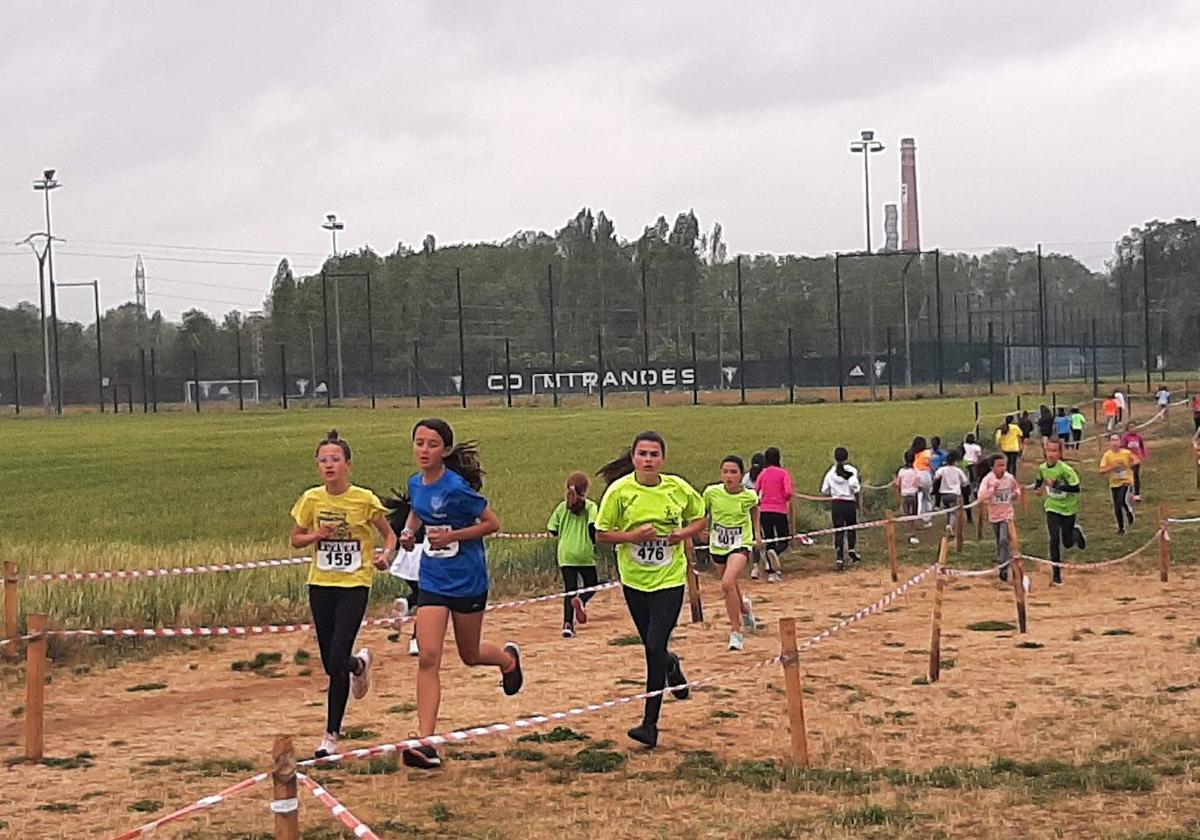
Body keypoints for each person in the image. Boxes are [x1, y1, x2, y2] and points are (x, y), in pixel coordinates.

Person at [398, 419, 522, 770]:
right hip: (433, 580)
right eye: (419, 443)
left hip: (467, 580)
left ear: (446, 451)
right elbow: (417, 513)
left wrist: (452, 537)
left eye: (432, 444)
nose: (424, 450)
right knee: (428, 657)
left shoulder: (457, 488)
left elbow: (492, 524)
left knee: (469, 654)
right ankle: (426, 742)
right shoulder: (415, 483)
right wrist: (409, 533)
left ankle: (508, 661)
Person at [290, 430, 397, 758]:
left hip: (354, 584)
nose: (329, 465)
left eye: (335, 459)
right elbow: (295, 538)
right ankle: (359, 666)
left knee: (336, 657)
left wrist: (384, 556)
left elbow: (389, 536)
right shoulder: (311, 499)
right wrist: (315, 536)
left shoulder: (364, 499)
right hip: (321, 583)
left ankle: (331, 736)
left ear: (347, 465)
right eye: (323, 460)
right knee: (329, 662)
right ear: (317, 467)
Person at [597, 431, 706, 748]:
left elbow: (700, 519)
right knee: (655, 649)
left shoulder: (677, 488)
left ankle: (649, 724)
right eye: (642, 453)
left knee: (653, 646)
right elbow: (602, 534)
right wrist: (631, 537)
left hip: (670, 580)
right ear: (633, 458)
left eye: (654, 454)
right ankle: (671, 664)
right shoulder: (619, 492)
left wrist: (680, 534)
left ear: (663, 459)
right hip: (634, 581)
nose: (648, 459)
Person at [701, 456, 762, 651]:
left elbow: (755, 510)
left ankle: (736, 633)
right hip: (718, 544)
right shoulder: (711, 492)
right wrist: (703, 528)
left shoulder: (749, 495)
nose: (729, 476)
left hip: (740, 543)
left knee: (727, 582)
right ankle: (744, 610)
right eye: (725, 471)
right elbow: (703, 512)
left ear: (741, 475)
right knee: (731, 587)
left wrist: (757, 533)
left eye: (733, 472)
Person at [547, 471, 600, 639]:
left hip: (566, 554)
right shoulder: (591, 506)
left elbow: (552, 529)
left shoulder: (562, 507)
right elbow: (593, 527)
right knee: (592, 584)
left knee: (569, 591)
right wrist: (595, 542)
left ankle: (568, 625)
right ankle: (582, 601)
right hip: (584, 552)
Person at [1033, 439, 1085, 587]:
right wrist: (1038, 488)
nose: (1051, 454)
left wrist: (1057, 485)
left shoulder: (1066, 470)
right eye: (1049, 450)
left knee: (1067, 542)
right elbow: (1039, 479)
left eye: (1054, 451)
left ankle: (1075, 533)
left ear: (1060, 453)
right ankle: (1056, 574)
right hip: (1052, 506)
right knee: (1054, 538)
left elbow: (1076, 488)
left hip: (1068, 508)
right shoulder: (1042, 468)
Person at [381, 490, 423, 657]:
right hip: (424, 557)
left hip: (407, 559)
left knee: (422, 596)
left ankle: (407, 603)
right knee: (428, 601)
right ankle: (416, 640)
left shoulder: (410, 510)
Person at [977, 453, 1022, 582]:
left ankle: (1003, 568)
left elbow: (1016, 489)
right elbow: (981, 496)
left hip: (1007, 514)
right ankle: (1002, 560)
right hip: (994, 515)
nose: (1002, 468)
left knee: (1003, 540)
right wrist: (992, 489)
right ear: (992, 467)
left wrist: (1015, 495)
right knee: (999, 541)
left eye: (1004, 465)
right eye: (999, 465)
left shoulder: (1009, 478)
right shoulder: (988, 479)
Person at [754, 447, 793, 582]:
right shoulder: (783, 473)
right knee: (784, 539)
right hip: (779, 510)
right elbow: (788, 492)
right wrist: (783, 498)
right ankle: (775, 554)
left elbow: (755, 489)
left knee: (769, 539)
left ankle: (771, 573)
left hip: (765, 510)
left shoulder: (763, 473)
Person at [820, 447, 861, 571]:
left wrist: (834, 490)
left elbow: (824, 490)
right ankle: (852, 549)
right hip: (849, 503)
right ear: (847, 457)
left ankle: (839, 557)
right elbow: (855, 487)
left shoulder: (830, 473)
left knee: (839, 531)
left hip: (837, 504)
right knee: (851, 527)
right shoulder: (851, 470)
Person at [1098, 434, 1137, 535]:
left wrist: (1132, 466)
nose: (1114, 442)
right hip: (1114, 483)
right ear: (1110, 443)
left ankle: (1128, 513)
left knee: (1121, 500)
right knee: (1117, 506)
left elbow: (1136, 461)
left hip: (1126, 481)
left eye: (1116, 440)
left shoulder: (1126, 453)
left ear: (1120, 442)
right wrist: (1112, 467)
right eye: (1112, 440)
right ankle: (1121, 527)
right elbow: (1101, 471)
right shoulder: (1107, 455)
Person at [933, 450, 968, 533]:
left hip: (944, 495)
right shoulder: (958, 470)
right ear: (955, 461)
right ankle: (950, 526)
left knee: (948, 510)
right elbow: (965, 482)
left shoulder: (942, 469)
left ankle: (949, 524)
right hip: (955, 494)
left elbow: (936, 477)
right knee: (954, 512)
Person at [895, 450, 922, 545]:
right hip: (913, 494)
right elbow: (918, 484)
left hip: (904, 494)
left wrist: (898, 494)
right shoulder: (915, 471)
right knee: (913, 514)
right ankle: (912, 531)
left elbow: (897, 484)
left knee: (907, 514)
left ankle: (909, 531)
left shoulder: (901, 471)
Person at [744, 452, 765, 578]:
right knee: (764, 536)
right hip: (762, 508)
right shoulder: (764, 475)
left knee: (754, 537)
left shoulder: (746, 477)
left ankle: (755, 566)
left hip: (748, 511)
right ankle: (767, 563)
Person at [1118, 422, 1148, 502]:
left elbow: (1142, 446)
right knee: (1128, 477)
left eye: (1134, 427)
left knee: (1136, 476)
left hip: (1136, 460)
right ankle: (1129, 493)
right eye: (1130, 427)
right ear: (1127, 429)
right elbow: (1122, 448)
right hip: (1128, 461)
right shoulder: (1125, 438)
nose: (1133, 429)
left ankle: (1137, 494)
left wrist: (1143, 455)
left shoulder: (1138, 437)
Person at [910, 436, 934, 522]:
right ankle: (928, 517)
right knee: (927, 497)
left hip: (917, 475)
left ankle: (920, 514)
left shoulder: (914, 454)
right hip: (925, 475)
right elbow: (927, 461)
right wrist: (932, 468)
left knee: (919, 495)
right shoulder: (926, 452)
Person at [960, 435, 982, 523]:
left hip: (965, 463)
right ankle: (974, 492)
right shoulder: (977, 447)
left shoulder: (964, 445)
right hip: (972, 463)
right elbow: (979, 457)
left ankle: (969, 490)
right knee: (974, 480)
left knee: (965, 478)